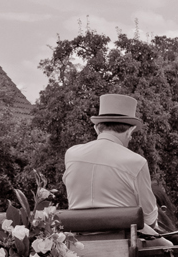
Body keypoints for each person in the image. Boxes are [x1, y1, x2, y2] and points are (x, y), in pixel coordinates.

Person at [63, 94, 171, 246]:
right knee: (170, 248)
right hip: (124, 242)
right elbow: (149, 218)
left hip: (78, 241)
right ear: (129, 131)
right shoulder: (136, 162)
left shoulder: (71, 154)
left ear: (96, 128)